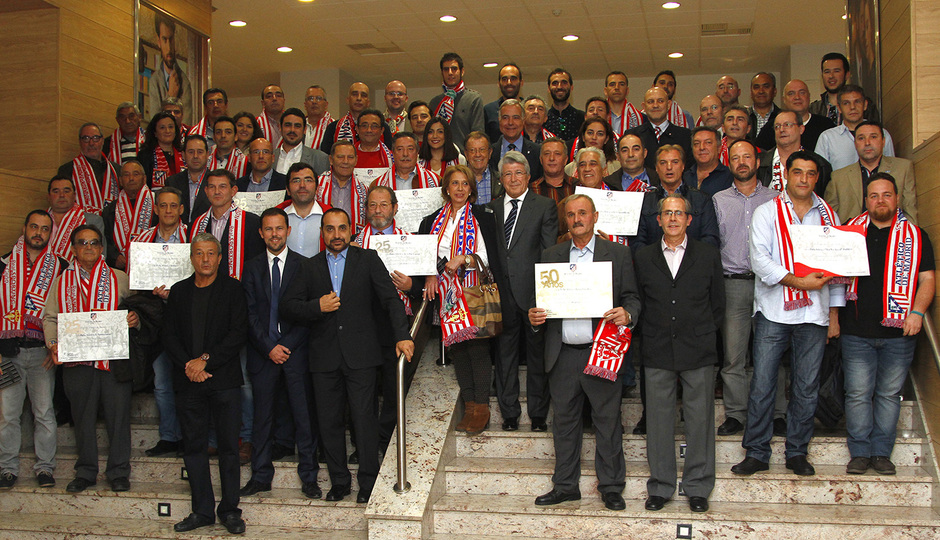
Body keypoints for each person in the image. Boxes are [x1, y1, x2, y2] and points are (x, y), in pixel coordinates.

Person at [281, 208, 414, 504]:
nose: (336, 234)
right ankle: (339, 482)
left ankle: (368, 483)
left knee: (364, 421)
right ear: (322, 233)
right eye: (330, 229)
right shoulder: (309, 266)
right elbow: (288, 306)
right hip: (323, 358)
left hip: (362, 356)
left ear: (351, 229)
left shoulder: (367, 260)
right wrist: (317, 306)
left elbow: (390, 300)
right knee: (328, 423)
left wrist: (403, 335)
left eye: (342, 228)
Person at [732, 151, 846, 477]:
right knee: (763, 384)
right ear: (787, 174)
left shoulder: (829, 216)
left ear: (816, 178)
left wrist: (834, 316)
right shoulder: (768, 212)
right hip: (772, 311)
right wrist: (800, 282)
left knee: (806, 387)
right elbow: (760, 262)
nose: (804, 179)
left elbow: (836, 271)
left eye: (811, 174)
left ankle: (797, 452)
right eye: (798, 173)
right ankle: (756, 452)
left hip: (815, 314)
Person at [529, 193, 640, 512]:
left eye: (583, 213)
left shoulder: (617, 254)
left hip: (601, 352)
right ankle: (565, 486)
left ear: (595, 217)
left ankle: (611, 487)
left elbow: (632, 297)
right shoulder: (552, 255)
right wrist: (535, 317)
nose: (577, 219)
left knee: (607, 421)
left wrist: (627, 314)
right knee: (563, 422)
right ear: (565, 220)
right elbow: (541, 304)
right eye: (571, 214)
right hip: (563, 353)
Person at [840, 173, 935, 475]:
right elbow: (833, 280)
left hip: (899, 333)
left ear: (896, 198)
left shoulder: (917, 237)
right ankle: (859, 452)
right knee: (857, 394)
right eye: (874, 195)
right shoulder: (849, 235)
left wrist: (918, 313)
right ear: (866, 200)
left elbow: (927, 279)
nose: (880, 200)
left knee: (888, 395)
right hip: (856, 331)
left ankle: (881, 452)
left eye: (886, 195)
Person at [635, 194, 724, 513]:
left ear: (690, 219)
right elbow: (640, 302)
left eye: (679, 213)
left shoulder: (708, 254)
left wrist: (702, 330)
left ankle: (698, 486)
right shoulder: (643, 257)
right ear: (658, 220)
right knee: (658, 420)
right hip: (657, 346)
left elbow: (718, 304)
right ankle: (660, 486)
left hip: (697, 347)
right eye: (667, 213)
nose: (673, 218)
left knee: (700, 419)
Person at [162, 232, 248, 535]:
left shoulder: (233, 289)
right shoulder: (179, 291)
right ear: (191, 257)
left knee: (228, 449)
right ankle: (202, 511)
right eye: (199, 253)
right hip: (188, 382)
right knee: (194, 447)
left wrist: (205, 361)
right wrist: (190, 365)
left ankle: (229, 510)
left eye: (211, 253)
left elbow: (238, 333)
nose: (205, 259)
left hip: (223, 382)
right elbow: (169, 335)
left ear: (220, 257)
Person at [44, 224, 139, 493]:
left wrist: (136, 319)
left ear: (101, 248)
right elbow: (50, 317)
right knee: (82, 418)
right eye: (82, 243)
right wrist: (52, 344)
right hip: (77, 363)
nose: (88, 247)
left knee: (118, 417)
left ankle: (119, 471)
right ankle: (85, 471)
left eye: (94, 243)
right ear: (73, 249)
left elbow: (140, 308)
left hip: (113, 362)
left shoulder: (119, 277)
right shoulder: (61, 281)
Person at [240, 208, 319, 499]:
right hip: (263, 354)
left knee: (303, 418)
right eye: (268, 229)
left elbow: (308, 312)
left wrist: (286, 345)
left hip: (295, 353)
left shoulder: (305, 266)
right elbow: (248, 315)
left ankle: (309, 477)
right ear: (261, 233)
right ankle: (260, 476)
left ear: (287, 230)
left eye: (279, 229)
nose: (274, 234)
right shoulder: (250, 268)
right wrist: (269, 347)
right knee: (262, 419)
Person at [420, 165, 500, 435]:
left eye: (465, 184)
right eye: (455, 183)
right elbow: (425, 254)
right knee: (458, 350)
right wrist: (431, 274)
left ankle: (482, 407)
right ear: (446, 188)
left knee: (477, 349)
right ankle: (469, 405)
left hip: (471, 290)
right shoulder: (432, 220)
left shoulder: (482, 217)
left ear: (471, 189)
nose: (460, 188)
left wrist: (463, 258)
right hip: (445, 295)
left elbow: (488, 258)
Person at [712, 140, 782, 437]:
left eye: (747, 157)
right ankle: (737, 414)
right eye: (735, 157)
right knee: (733, 355)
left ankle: (777, 414)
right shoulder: (718, 199)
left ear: (758, 161)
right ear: (729, 163)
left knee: (773, 352)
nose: (742, 162)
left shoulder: (777, 199)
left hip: (771, 285)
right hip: (734, 284)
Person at [488, 151, 558, 432]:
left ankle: (539, 414)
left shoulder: (544, 206)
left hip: (533, 295)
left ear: (528, 177)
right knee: (504, 357)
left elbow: (548, 252)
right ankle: (509, 414)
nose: (513, 178)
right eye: (507, 174)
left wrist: (541, 295)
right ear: (501, 179)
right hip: (500, 295)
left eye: (519, 173)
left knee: (537, 356)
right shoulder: (489, 209)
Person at [0, 210, 67, 490]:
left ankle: (45, 468)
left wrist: (55, 346)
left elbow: (67, 307)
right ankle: (7, 469)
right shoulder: (3, 264)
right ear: (25, 228)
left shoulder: (61, 266)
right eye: (34, 227)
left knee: (44, 412)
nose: (38, 233)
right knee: (7, 415)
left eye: (44, 229)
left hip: (42, 353)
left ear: (51, 233)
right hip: (8, 352)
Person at [356, 185, 424, 453]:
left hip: (396, 322)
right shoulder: (354, 242)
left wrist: (411, 285)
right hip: (361, 325)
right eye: (372, 205)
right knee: (364, 385)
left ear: (395, 208)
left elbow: (426, 288)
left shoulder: (410, 241)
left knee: (394, 382)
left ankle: (385, 438)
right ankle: (365, 440)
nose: (378, 210)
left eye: (384, 205)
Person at [136, 187, 189, 458]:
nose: (168, 211)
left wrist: (176, 294)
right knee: (162, 383)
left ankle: (191, 437)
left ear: (181, 209)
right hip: (156, 321)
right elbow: (135, 283)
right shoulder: (143, 240)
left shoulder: (193, 237)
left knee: (190, 383)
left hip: (188, 319)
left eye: (173, 205)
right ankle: (169, 436)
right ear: (155, 209)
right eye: (163, 206)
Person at [825, 121, 916, 223]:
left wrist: (911, 236)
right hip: (852, 236)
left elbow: (910, 209)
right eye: (861, 138)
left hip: (893, 235)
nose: (867, 143)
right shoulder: (838, 177)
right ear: (855, 144)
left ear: (883, 141)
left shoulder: (903, 168)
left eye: (873, 137)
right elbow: (830, 219)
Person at [190, 169, 264, 281]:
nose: (217, 191)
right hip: (205, 293)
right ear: (206, 191)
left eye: (222, 186)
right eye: (212, 187)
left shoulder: (252, 223)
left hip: (239, 293)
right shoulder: (195, 225)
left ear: (233, 191)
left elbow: (257, 267)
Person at [816, 85, 896, 171]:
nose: (852, 107)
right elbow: (820, 174)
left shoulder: (881, 134)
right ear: (839, 108)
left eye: (857, 102)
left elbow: (891, 168)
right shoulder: (827, 138)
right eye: (846, 103)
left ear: (865, 105)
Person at [102, 160, 155, 271]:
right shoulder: (110, 209)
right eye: (126, 175)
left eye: (136, 174)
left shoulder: (157, 204)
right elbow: (105, 239)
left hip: (151, 264)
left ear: (144, 178)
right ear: (120, 180)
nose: (131, 178)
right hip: (120, 267)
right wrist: (115, 257)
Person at [56, 123, 119, 216]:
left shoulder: (117, 170)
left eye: (95, 138)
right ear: (79, 141)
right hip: (81, 224)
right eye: (86, 138)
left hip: (112, 226)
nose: (91, 143)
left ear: (102, 140)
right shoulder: (67, 170)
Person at [626, 87, 693, 171]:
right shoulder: (633, 135)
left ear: (668, 104)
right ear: (644, 106)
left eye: (660, 101)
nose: (655, 105)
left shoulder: (685, 136)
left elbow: (690, 170)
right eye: (650, 102)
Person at [429, 52, 485, 152]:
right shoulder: (435, 103)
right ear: (442, 72)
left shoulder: (473, 99)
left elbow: (477, 134)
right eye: (446, 69)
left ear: (462, 71)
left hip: (465, 159)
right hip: (440, 159)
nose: (450, 72)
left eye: (454, 69)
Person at [46, 176, 107, 262]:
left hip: (80, 273)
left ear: (74, 195)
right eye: (56, 191)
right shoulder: (39, 221)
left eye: (66, 191)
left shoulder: (93, 220)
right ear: (48, 196)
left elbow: (101, 254)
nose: (61, 195)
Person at [809, 52, 880, 125]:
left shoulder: (864, 106)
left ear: (847, 75)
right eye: (827, 72)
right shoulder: (814, 109)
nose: (831, 76)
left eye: (836, 71)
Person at [149, 12, 193, 126]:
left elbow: (186, 124)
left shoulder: (184, 82)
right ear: (158, 41)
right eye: (164, 39)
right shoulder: (154, 81)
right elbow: (155, 124)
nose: (168, 47)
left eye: (171, 39)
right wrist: (171, 96)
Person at [316, 141, 368, 236]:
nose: (345, 161)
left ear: (356, 160)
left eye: (350, 157)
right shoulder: (316, 186)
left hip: (352, 243)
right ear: (331, 160)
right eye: (340, 157)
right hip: (320, 241)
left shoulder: (365, 190)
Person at [488, 99, 542, 180]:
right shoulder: (490, 153)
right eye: (505, 117)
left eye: (516, 117)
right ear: (499, 120)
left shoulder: (537, 152)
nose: (510, 122)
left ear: (523, 120)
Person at [166, 134, 211, 226]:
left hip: (207, 235)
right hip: (178, 236)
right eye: (191, 152)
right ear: (183, 155)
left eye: (200, 152)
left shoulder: (215, 182)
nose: (195, 156)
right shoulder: (172, 182)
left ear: (207, 155)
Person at [283, 162, 326, 257]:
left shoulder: (329, 216)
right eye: (296, 181)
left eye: (308, 180)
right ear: (288, 190)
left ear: (317, 188)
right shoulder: (278, 216)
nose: (302, 185)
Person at [781, 79, 835, 152]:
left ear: (809, 96)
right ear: (784, 99)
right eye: (791, 93)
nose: (797, 97)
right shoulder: (773, 129)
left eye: (802, 93)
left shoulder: (826, 126)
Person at [273, 108, 330, 177]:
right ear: (280, 127)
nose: (292, 130)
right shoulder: (269, 157)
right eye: (288, 125)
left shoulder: (320, 159)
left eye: (297, 126)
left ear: (305, 130)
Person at [373, 132, 440, 190]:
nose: (405, 154)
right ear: (393, 153)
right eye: (400, 149)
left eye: (410, 149)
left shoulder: (436, 181)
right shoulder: (377, 185)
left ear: (417, 152)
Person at [683, 127, 733, 197]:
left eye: (708, 143)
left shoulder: (730, 177)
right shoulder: (684, 177)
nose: (702, 147)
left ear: (719, 148)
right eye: (696, 143)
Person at [138, 111, 183, 189]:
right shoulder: (145, 155)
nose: (167, 131)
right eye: (162, 127)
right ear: (155, 132)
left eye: (170, 127)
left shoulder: (183, 153)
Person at [484, 63, 524, 142]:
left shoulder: (527, 109)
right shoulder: (488, 110)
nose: (509, 82)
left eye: (513, 79)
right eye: (504, 79)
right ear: (499, 84)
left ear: (521, 82)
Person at [529, 137, 575, 204]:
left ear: (565, 160)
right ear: (541, 160)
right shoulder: (531, 190)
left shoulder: (577, 186)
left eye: (557, 154)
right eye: (547, 154)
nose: (551, 158)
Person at [544, 68, 584, 141]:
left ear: (571, 87)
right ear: (548, 88)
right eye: (555, 83)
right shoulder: (543, 119)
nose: (559, 87)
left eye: (564, 82)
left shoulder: (582, 118)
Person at [464, 132, 500, 204]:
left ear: (490, 153)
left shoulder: (501, 180)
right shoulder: (457, 181)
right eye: (472, 150)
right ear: (466, 154)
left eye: (482, 149)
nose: (477, 154)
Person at [604, 71, 642, 137]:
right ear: (605, 91)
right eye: (612, 84)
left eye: (621, 84)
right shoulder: (598, 115)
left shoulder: (640, 117)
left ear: (627, 91)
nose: (616, 88)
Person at [748, 72, 781, 150]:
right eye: (756, 87)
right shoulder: (743, 117)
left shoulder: (782, 117)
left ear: (775, 91)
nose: (761, 91)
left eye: (766, 86)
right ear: (751, 92)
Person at [304, 85, 334, 151]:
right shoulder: (299, 126)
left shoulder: (334, 127)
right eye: (310, 98)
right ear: (305, 104)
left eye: (318, 98)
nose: (314, 102)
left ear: (326, 104)